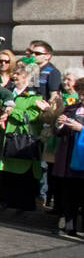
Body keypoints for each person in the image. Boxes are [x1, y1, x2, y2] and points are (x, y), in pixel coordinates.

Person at [0, 62, 48, 212]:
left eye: (18, 75)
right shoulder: (8, 92)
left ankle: (23, 205)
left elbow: (31, 116)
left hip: (22, 140)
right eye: (14, 74)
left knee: (23, 175)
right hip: (6, 137)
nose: (14, 77)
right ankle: (6, 200)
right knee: (6, 171)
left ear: (26, 77)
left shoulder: (34, 96)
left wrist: (11, 110)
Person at [48, 69, 84, 236]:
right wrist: (60, 124)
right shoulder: (71, 108)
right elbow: (58, 132)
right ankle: (69, 225)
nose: (82, 97)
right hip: (69, 157)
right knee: (69, 193)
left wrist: (81, 128)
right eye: (81, 93)